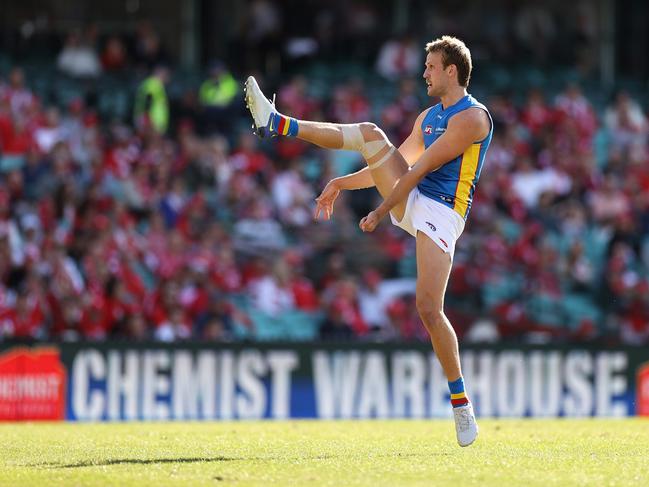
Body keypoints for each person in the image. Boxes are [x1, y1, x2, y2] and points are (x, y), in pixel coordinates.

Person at [244, 36, 492, 447]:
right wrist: (343, 181)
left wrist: (380, 211)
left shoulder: (473, 118)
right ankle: (277, 123)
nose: (424, 73)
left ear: (452, 71)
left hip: (443, 212)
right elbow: (394, 163)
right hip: (411, 198)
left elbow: (420, 168)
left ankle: (461, 404)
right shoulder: (428, 116)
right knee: (368, 133)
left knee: (429, 309)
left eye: (431, 66)